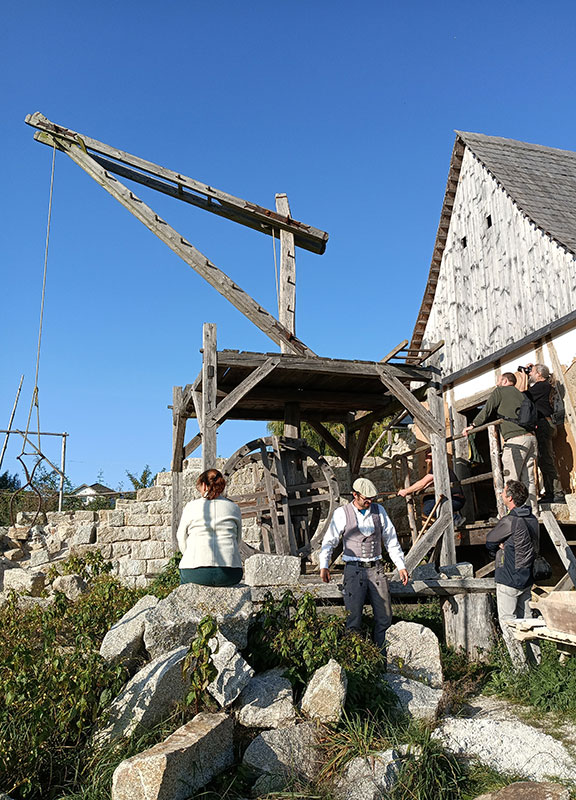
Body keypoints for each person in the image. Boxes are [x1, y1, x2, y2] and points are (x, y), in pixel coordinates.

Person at [319, 477, 409, 652]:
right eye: (365, 498)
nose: (369, 501)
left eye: (371, 498)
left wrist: (401, 565)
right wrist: (324, 565)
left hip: (376, 569)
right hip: (353, 570)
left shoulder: (379, 511)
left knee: (384, 617)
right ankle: (356, 662)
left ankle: (383, 659)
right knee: (353, 619)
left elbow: (391, 540)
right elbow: (329, 541)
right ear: (355, 495)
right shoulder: (342, 513)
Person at [463, 372, 537, 512]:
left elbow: (487, 409)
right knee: (529, 479)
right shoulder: (522, 395)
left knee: (511, 480)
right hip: (531, 439)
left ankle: (511, 514)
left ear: (504, 380)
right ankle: (532, 512)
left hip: (515, 440)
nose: (496, 382)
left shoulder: (500, 391)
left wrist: (473, 425)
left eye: (498, 379)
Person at [486, 479, 540, 669]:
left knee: (508, 623)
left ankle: (520, 667)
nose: (501, 494)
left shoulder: (510, 520)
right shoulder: (532, 518)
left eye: (503, 492)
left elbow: (490, 540)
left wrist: (500, 549)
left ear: (509, 498)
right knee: (528, 621)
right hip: (527, 577)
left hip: (509, 577)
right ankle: (536, 663)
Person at [176, 468, 243, 586]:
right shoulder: (234, 508)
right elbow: (238, 539)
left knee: (185, 585)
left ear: (204, 485)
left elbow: (180, 537)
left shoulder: (191, 506)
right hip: (230, 572)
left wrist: (189, 555)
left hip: (195, 570)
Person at [525, 363, 565, 503]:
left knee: (546, 459)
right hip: (547, 423)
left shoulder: (541, 386)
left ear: (539, 375)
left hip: (543, 423)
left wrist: (524, 377)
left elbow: (524, 396)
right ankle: (549, 492)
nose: (531, 374)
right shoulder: (546, 386)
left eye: (533, 372)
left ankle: (557, 493)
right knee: (543, 459)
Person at [397, 451, 466, 527]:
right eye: (426, 457)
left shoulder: (438, 467)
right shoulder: (437, 469)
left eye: (429, 457)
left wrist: (406, 491)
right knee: (427, 499)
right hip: (452, 498)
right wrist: (413, 491)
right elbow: (426, 484)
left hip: (456, 500)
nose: (427, 460)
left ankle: (455, 518)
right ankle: (451, 518)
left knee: (427, 509)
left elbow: (422, 483)